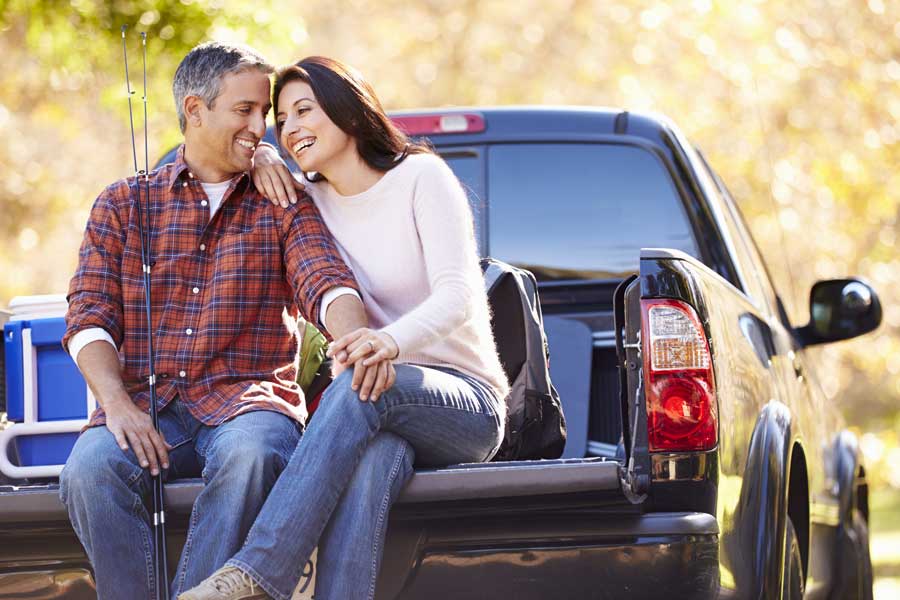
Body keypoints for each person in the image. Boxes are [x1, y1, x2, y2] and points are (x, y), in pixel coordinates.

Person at [59, 43, 381, 599]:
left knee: (252, 453)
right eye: (246, 111)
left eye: (265, 112)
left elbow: (325, 283)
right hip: (145, 406)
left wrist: (356, 338)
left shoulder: (282, 201)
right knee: (88, 470)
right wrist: (116, 405)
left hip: (248, 405)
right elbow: (88, 316)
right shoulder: (120, 204)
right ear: (195, 109)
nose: (262, 126)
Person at [180, 57, 509, 600]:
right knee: (371, 463)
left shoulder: (420, 178)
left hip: (462, 401)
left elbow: (459, 296)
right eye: (281, 119)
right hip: (375, 398)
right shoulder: (307, 202)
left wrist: (388, 342)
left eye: (303, 110)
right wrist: (260, 153)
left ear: (349, 110)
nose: (290, 128)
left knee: (357, 388)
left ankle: (260, 572)